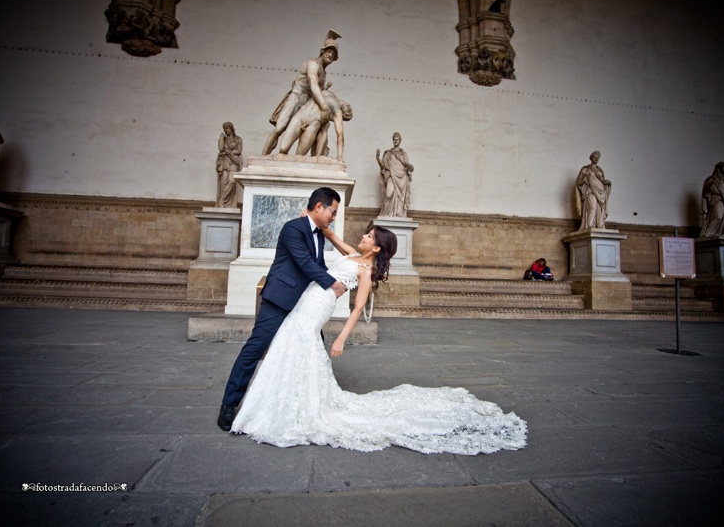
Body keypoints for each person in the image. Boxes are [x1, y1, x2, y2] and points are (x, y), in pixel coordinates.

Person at [227, 224, 528, 455]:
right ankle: (277, 401)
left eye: (370, 236)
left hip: (317, 309)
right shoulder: (354, 256)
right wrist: (322, 225)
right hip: (306, 302)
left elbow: (358, 307)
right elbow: (338, 241)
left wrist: (341, 338)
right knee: (288, 346)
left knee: (297, 345)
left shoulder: (365, 270)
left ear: (376, 248)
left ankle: (288, 407)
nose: (364, 236)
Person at [217, 187, 347, 431]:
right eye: (333, 211)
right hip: (280, 300)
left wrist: (339, 279)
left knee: (313, 351)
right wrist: (333, 284)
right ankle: (228, 405)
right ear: (319, 206)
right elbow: (304, 262)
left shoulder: (318, 234)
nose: (334, 217)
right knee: (255, 349)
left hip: (304, 306)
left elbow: (318, 264)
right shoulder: (292, 228)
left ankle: (309, 405)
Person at [262, 30, 341, 156]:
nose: (330, 56)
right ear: (323, 51)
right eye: (329, 52)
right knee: (279, 128)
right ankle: (263, 157)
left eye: (333, 55)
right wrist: (324, 107)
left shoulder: (324, 73)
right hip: (297, 97)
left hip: (307, 103)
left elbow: (318, 91)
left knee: (310, 129)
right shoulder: (313, 64)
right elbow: (313, 85)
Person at [278, 89, 352, 161]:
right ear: (342, 114)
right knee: (284, 149)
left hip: (312, 126)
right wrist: (340, 157)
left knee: (298, 157)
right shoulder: (337, 111)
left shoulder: (327, 92)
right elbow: (340, 135)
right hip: (300, 117)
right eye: (343, 119)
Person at [377, 132, 414, 218]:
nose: (395, 141)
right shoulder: (388, 153)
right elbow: (383, 166)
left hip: (402, 177)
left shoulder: (404, 154)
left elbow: (407, 165)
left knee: (400, 196)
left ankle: (398, 213)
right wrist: (377, 157)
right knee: (388, 194)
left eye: (397, 139)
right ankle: (386, 214)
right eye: (394, 139)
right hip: (391, 175)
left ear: (400, 141)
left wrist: (410, 168)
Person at [575, 151, 611, 230]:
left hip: (600, 192)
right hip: (590, 191)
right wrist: (584, 175)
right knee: (593, 207)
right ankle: (589, 225)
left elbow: (602, 181)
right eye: (595, 157)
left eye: (598, 157)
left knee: (600, 210)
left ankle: (599, 225)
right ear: (591, 158)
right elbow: (578, 182)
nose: (596, 159)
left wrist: (607, 183)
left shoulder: (600, 170)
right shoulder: (586, 169)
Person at [215, 122, 243, 208]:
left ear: (231, 128)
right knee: (224, 183)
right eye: (224, 129)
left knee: (232, 181)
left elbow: (239, 151)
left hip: (233, 162)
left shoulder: (238, 139)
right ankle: (223, 204)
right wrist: (221, 139)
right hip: (225, 162)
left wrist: (229, 152)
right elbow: (221, 148)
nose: (225, 130)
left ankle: (222, 201)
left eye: (227, 128)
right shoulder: (223, 139)